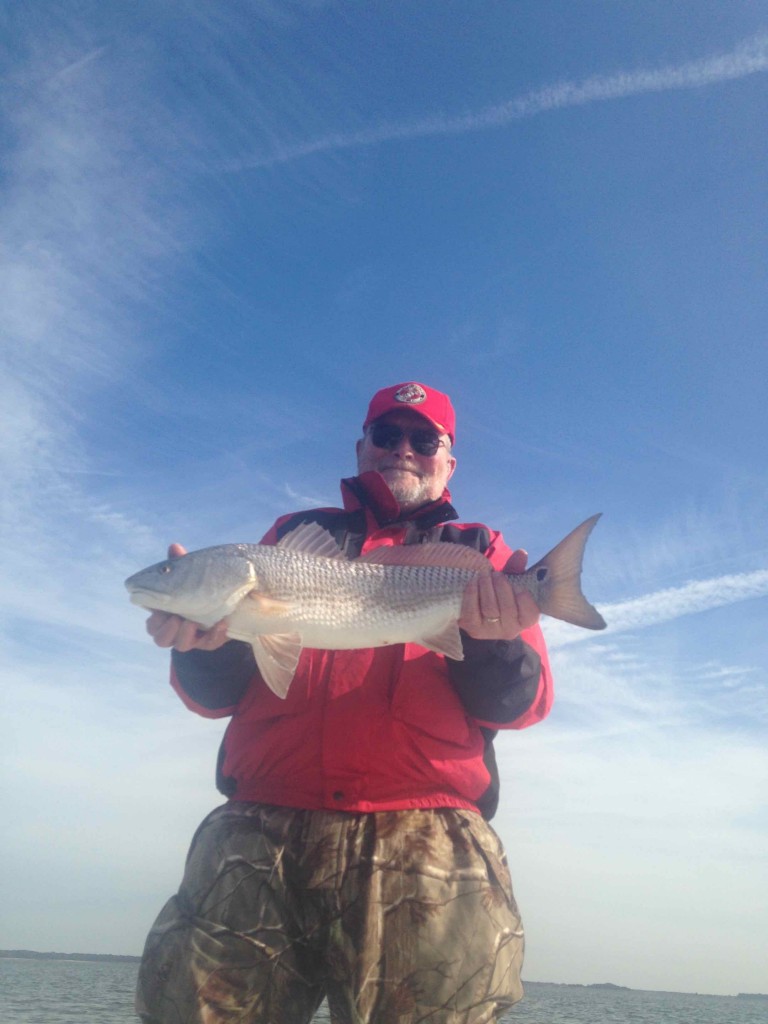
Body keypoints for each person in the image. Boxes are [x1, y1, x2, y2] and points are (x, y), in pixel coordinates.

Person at [136, 381, 553, 1024]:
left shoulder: (478, 554)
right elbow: (213, 699)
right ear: (362, 447)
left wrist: (493, 642)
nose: (402, 451)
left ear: (449, 460)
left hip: (429, 839)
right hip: (260, 830)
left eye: (423, 439)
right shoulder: (291, 537)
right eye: (386, 435)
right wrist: (200, 644)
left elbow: (521, 705)